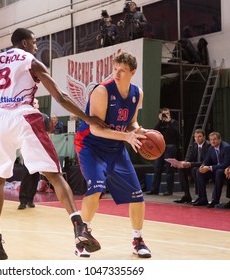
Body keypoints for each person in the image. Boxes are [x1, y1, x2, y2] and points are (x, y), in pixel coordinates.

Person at [0, 27, 106, 260]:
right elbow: (61, 96)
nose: (36, 46)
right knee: (55, 175)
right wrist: (87, 118)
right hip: (24, 116)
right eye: (34, 42)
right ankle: (79, 228)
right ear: (24, 43)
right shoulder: (31, 61)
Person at [74, 51, 151, 258]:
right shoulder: (102, 91)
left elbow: (131, 122)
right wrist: (126, 137)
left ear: (132, 72)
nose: (116, 73)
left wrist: (137, 130)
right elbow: (96, 129)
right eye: (115, 68)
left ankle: (138, 240)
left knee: (137, 195)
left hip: (115, 147)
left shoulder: (137, 93)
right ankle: (83, 237)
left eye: (122, 70)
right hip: (91, 146)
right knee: (96, 188)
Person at [17, 98, 51, 210]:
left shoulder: (44, 117)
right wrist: (21, 147)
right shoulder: (24, 117)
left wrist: (47, 149)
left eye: (35, 103)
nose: (34, 105)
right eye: (32, 103)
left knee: (36, 175)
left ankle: (30, 199)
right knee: (27, 174)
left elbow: (47, 134)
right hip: (27, 149)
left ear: (38, 105)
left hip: (39, 149)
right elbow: (20, 134)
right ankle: (23, 200)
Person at [146, 108, 180, 196]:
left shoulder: (174, 123)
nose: (166, 115)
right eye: (164, 114)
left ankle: (169, 190)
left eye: (167, 113)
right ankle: (154, 189)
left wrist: (169, 121)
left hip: (170, 147)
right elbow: (154, 132)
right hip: (159, 148)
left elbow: (176, 134)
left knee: (169, 169)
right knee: (157, 168)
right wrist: (160, 121)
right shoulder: (160, 124)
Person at [173, 129, 210, 203]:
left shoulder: (208, 145)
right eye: (195, 137)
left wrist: (190, 164)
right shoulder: (194, 145)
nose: (197, 138)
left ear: (204, 137)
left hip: (205, 167)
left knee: (195, 170)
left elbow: (206, 161)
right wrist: (182, 163)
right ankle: (187, 195)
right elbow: (190, 158)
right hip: (195, 166)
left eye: (199, 136)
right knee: (181, 169)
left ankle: (201, 196)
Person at [194, 132, 230, 208]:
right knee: (199, 171)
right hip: (215, 169)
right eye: (211, 140)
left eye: (215, 139)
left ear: (219, 139)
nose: (212, 141)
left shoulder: (226, 147)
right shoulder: (211, 148)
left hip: (224, 170)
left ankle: (215, 200)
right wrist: (203, 166)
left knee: (219, 172)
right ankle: (203, 198)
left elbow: (225, 164)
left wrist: (210, 168)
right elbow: (206, 160)